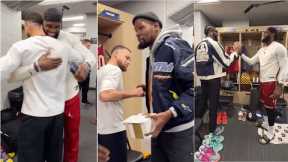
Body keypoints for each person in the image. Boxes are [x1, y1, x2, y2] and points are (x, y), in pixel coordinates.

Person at [8, 8, 96, 162]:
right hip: (44, 102)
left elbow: (88, 56)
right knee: (48, 145)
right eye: (49, 26)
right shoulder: (30, 42)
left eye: (56, 27)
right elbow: (17, 72)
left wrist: (86, 66)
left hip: (69, 97)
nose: (52, 30)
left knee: (71, 137)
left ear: (61, 25)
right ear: (42, 23)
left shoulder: (69, 39)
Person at [133, 12, 194, 162]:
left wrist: (171, 112)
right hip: (158, 128)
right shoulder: (153, 55)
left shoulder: (175, 46)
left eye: (141, 28)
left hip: (178, 131)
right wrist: (150, 88)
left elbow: (193, 88)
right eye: (135, 30)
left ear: (155, 26)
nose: (137, 33)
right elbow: (168, 83)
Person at [240, 27, 288, 144]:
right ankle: (266, 124)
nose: (263, 35)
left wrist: (280, 85)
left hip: (272, 83)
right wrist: (240, 53)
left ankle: (271, 133)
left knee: (271, 109)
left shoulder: (279, 47)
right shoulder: (262, 50)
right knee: (264, 106)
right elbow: (251, 61)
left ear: (272, 34)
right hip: (263, 82)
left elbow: (285, 66)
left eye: (266, 33)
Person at [97, 45, 145, 162]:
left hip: (103, 130)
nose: (129, 62)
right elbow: (105, 95)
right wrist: (135, 92)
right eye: (127, 57)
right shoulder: (115, 70)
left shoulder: (101, 70)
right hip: (113, 131)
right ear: (116, 54)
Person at [195, 26, 239, 135]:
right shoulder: (214, 43)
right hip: (213, 79)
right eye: (215, 31)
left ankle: (197, 126)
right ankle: (212, 130)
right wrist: (235, 53)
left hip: (203, 79)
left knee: (203, 102)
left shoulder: (199, 45)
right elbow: (226, 62)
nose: (217, 33)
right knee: (213, 104)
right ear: (210, 32)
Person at [79, 38, 92, 104]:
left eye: (90, 46)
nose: (89, 47)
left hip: (87, 74)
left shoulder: (88, 53)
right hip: (79, 74)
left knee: (86, 88)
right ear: (83, 45)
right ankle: (74, 103)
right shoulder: (78, 53)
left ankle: (84, 100)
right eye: (88, 46)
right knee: (77, 89)